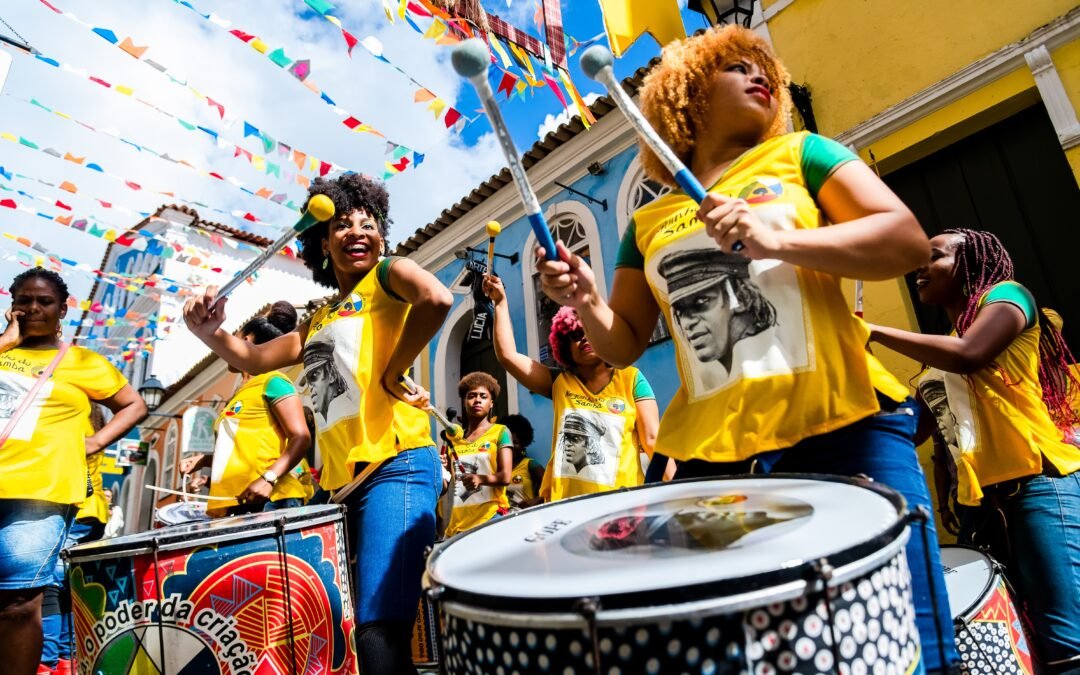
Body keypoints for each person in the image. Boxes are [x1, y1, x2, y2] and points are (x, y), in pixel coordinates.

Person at [533, 25, 957, 672]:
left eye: (765, 67)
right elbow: (621, 345)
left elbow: (905, 241)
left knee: (909, 639)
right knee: (752, 653)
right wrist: (587, 299)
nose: (761, 74)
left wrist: (774, 239)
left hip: (844, 424)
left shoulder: (803, 153)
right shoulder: (646, 223)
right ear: (687, 96)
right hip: (716, 459)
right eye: (735, 66)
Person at [183, 174, 451, 675]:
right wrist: (209, 331)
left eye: (368, 224)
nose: (357, 232)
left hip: (398, 467)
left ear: (382, 237)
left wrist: (395, 370)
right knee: (342, 630)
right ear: (322, 244)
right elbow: (256, 357)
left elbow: (437, 299)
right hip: (340, 488)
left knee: (378, 629)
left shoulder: (390, 275)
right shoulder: (321, 317)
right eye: (342, 225)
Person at [869, 228, 1080, 673]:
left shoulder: (1008, 297)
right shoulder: (941, 350)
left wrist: (871, 329)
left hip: (1039, 487)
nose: (918, 268)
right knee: (1003, 634)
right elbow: (915, 431)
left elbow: (969, 354)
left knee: (1064, 641)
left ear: (969, 264)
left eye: (933, 257)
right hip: (981, 506)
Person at [0, 268, 145, 675]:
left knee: (17, 603)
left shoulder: (84, 362)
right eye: (23, 300)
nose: (32, 308)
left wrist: (96, 442)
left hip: (38, 492)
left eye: (44, 301)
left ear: (63, 309)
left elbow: (133, 404)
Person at [483, 276, 659, 503]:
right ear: (564, 346)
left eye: (590, 331)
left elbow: (653, 440)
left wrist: (679, 497)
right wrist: (500, 302)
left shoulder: (632, 379)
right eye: (575, 335)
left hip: (623, 505)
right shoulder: (559, 382)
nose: (584, 337)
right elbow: (508, 356)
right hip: (565, 507)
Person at [179, 301, 312, 515]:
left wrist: (268, 479)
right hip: (236, 503)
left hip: (271, 500)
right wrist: (203, 460)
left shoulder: (274, 381)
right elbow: (244, 452)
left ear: (246, 341)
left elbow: (301, 437)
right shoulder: (239, 394)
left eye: (235, 337)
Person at [40, 404, 111, 675]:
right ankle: (66, 662)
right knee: (70, 588)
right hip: (91, 511)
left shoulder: (72, 416)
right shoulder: (91, 419)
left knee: (49, 585)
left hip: (73, 509)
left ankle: (46, 663)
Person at [441, 372, 512, 537]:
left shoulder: (501, 432)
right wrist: (440, 469)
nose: (477, 400)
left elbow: (505, 477)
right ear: (464, 402)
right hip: (458, 525)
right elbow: (444, 488)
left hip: (491, 518)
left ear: (491, 403)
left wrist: (480, 479)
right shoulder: (454, 440)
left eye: (483, 396)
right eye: (471, 396)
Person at [501, 413, 545, 511]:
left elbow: (553, 489)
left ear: (523, 445)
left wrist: (537, 499)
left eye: (515, 442)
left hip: (527, 520)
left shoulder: (531, 465)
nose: (510, 446)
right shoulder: (496, 468)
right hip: (503, 521)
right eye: (507, 441)